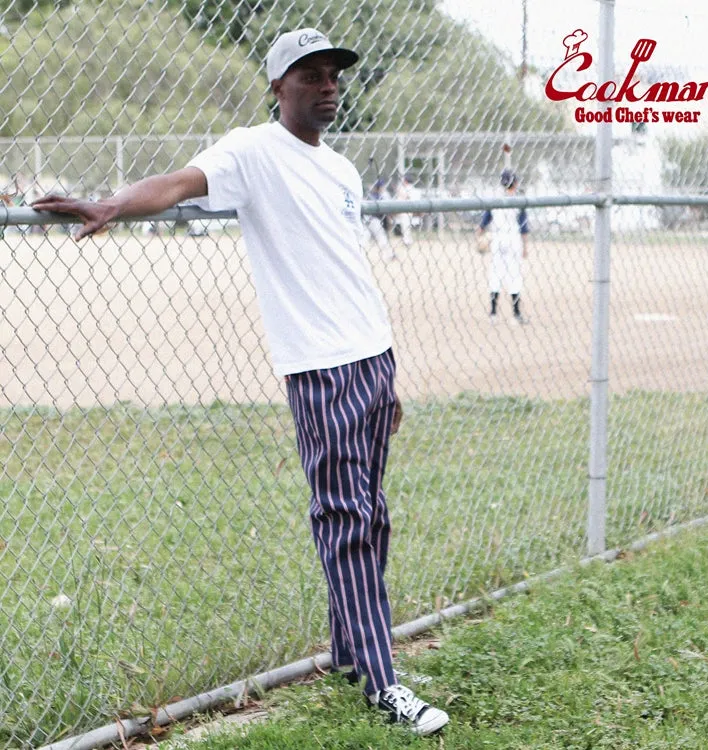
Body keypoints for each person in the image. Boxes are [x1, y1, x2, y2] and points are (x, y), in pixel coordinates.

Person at [32, 27, 449, 737]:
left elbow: (353, 276)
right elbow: (176, 184)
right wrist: (111, 205)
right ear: (277, 87)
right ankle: (383, 681)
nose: (327, 87)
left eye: (333, 76)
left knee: (370, 514)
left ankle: (352, 655)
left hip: (372, 362)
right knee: (344, 519)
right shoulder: (252, 152)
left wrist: (390, 373)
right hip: (318, 370)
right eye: (310, 76)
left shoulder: (344, 172)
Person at [476, 167, 530, 325]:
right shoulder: (519, 200)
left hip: (497, 239)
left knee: (495, 274)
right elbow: (523, 227)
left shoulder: (494, 199)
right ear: (516, 183)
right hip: (513, 239)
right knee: (514, 275)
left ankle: (493, 314)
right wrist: (525, 247)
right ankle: (516, 314)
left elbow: (484, 221)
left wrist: (478, 234)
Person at [365, 178, 396, 259]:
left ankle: (360, 255)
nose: (383, 187)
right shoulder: (378, 196)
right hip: (373, 220)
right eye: (382, 186)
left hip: (368, 220)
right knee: (381, 237)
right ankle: (389, 255)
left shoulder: (372, 195)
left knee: (365, 237)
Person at [393, 174, 415, 247]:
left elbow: (406, 197)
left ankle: (407, 241)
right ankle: (407, 240)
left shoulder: (409, 187)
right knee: (405, 226)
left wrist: (398, 191)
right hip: (405, 210)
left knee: (406, 226)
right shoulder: (406, 187)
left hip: (407, 210)